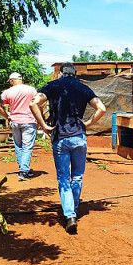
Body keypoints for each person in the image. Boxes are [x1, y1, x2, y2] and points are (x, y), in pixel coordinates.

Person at [29, 63, 106, 234]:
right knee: (77, 176)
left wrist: (43, 126)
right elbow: (102, 108)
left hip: (60, 138)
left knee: (63, 177)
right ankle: (73, 210)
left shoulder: (53, 86)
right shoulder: (83, 88)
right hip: (79, 138)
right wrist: (87, 123)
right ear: (75, 74)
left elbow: (34, 103)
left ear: (61, 73)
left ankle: (70, 214)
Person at [0, 72, 38, 181]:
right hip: (29, 121)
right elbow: (38, 104)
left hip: (15, 121)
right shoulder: (31, 90)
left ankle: (23, 169)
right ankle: (24, 171)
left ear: (11, 80)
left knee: (18, 146)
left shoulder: (7, 92)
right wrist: (39, 119)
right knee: (27, 146)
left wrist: (7, 116)